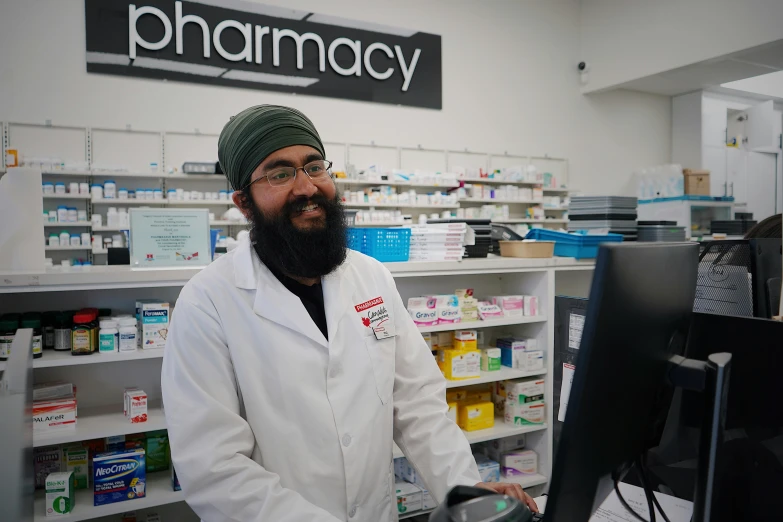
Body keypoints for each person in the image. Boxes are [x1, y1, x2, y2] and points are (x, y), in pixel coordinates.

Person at [161, 105, 538, 521]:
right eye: (280, 173)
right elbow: (216, 470)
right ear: (244, 203)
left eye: (314, 166)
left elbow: (415, 403)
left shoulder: (370, 276)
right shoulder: (207, 303)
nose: (306, 187)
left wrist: (465, 488)